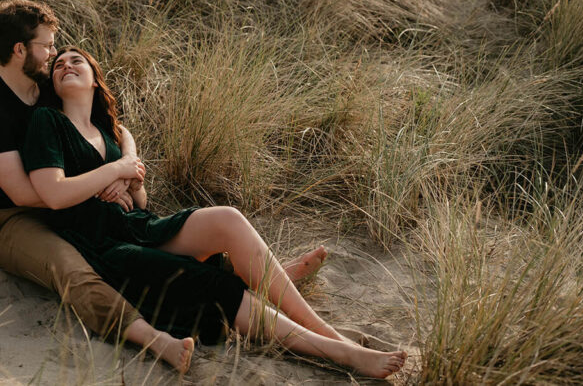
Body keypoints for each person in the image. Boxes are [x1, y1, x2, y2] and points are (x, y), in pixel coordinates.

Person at [0, 0, 330, 372]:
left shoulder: (46, 87)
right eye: (47, 46)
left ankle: (264, 277)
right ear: (19, 49)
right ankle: (152, 338)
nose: (56, 53)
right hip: (9, 219)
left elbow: (108, 129)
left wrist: (124, 167)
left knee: (149, 236)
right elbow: (28, 194)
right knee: (71, 268)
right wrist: (103, 182)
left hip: (70, 202)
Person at [20, 46, 408, 378]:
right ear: (53, 84)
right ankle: (340, 352)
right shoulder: (47, 121)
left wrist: (133, 182)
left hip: (139, 227)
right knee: (214, 285)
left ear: (94, 79)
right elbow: (53, 195)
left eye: (77, 62)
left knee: (227, 219)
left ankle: (324, 328)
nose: (66, 65)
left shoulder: (109, 133)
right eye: (59, 65)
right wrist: (117, 169)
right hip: (104, 248)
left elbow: (139, 203)